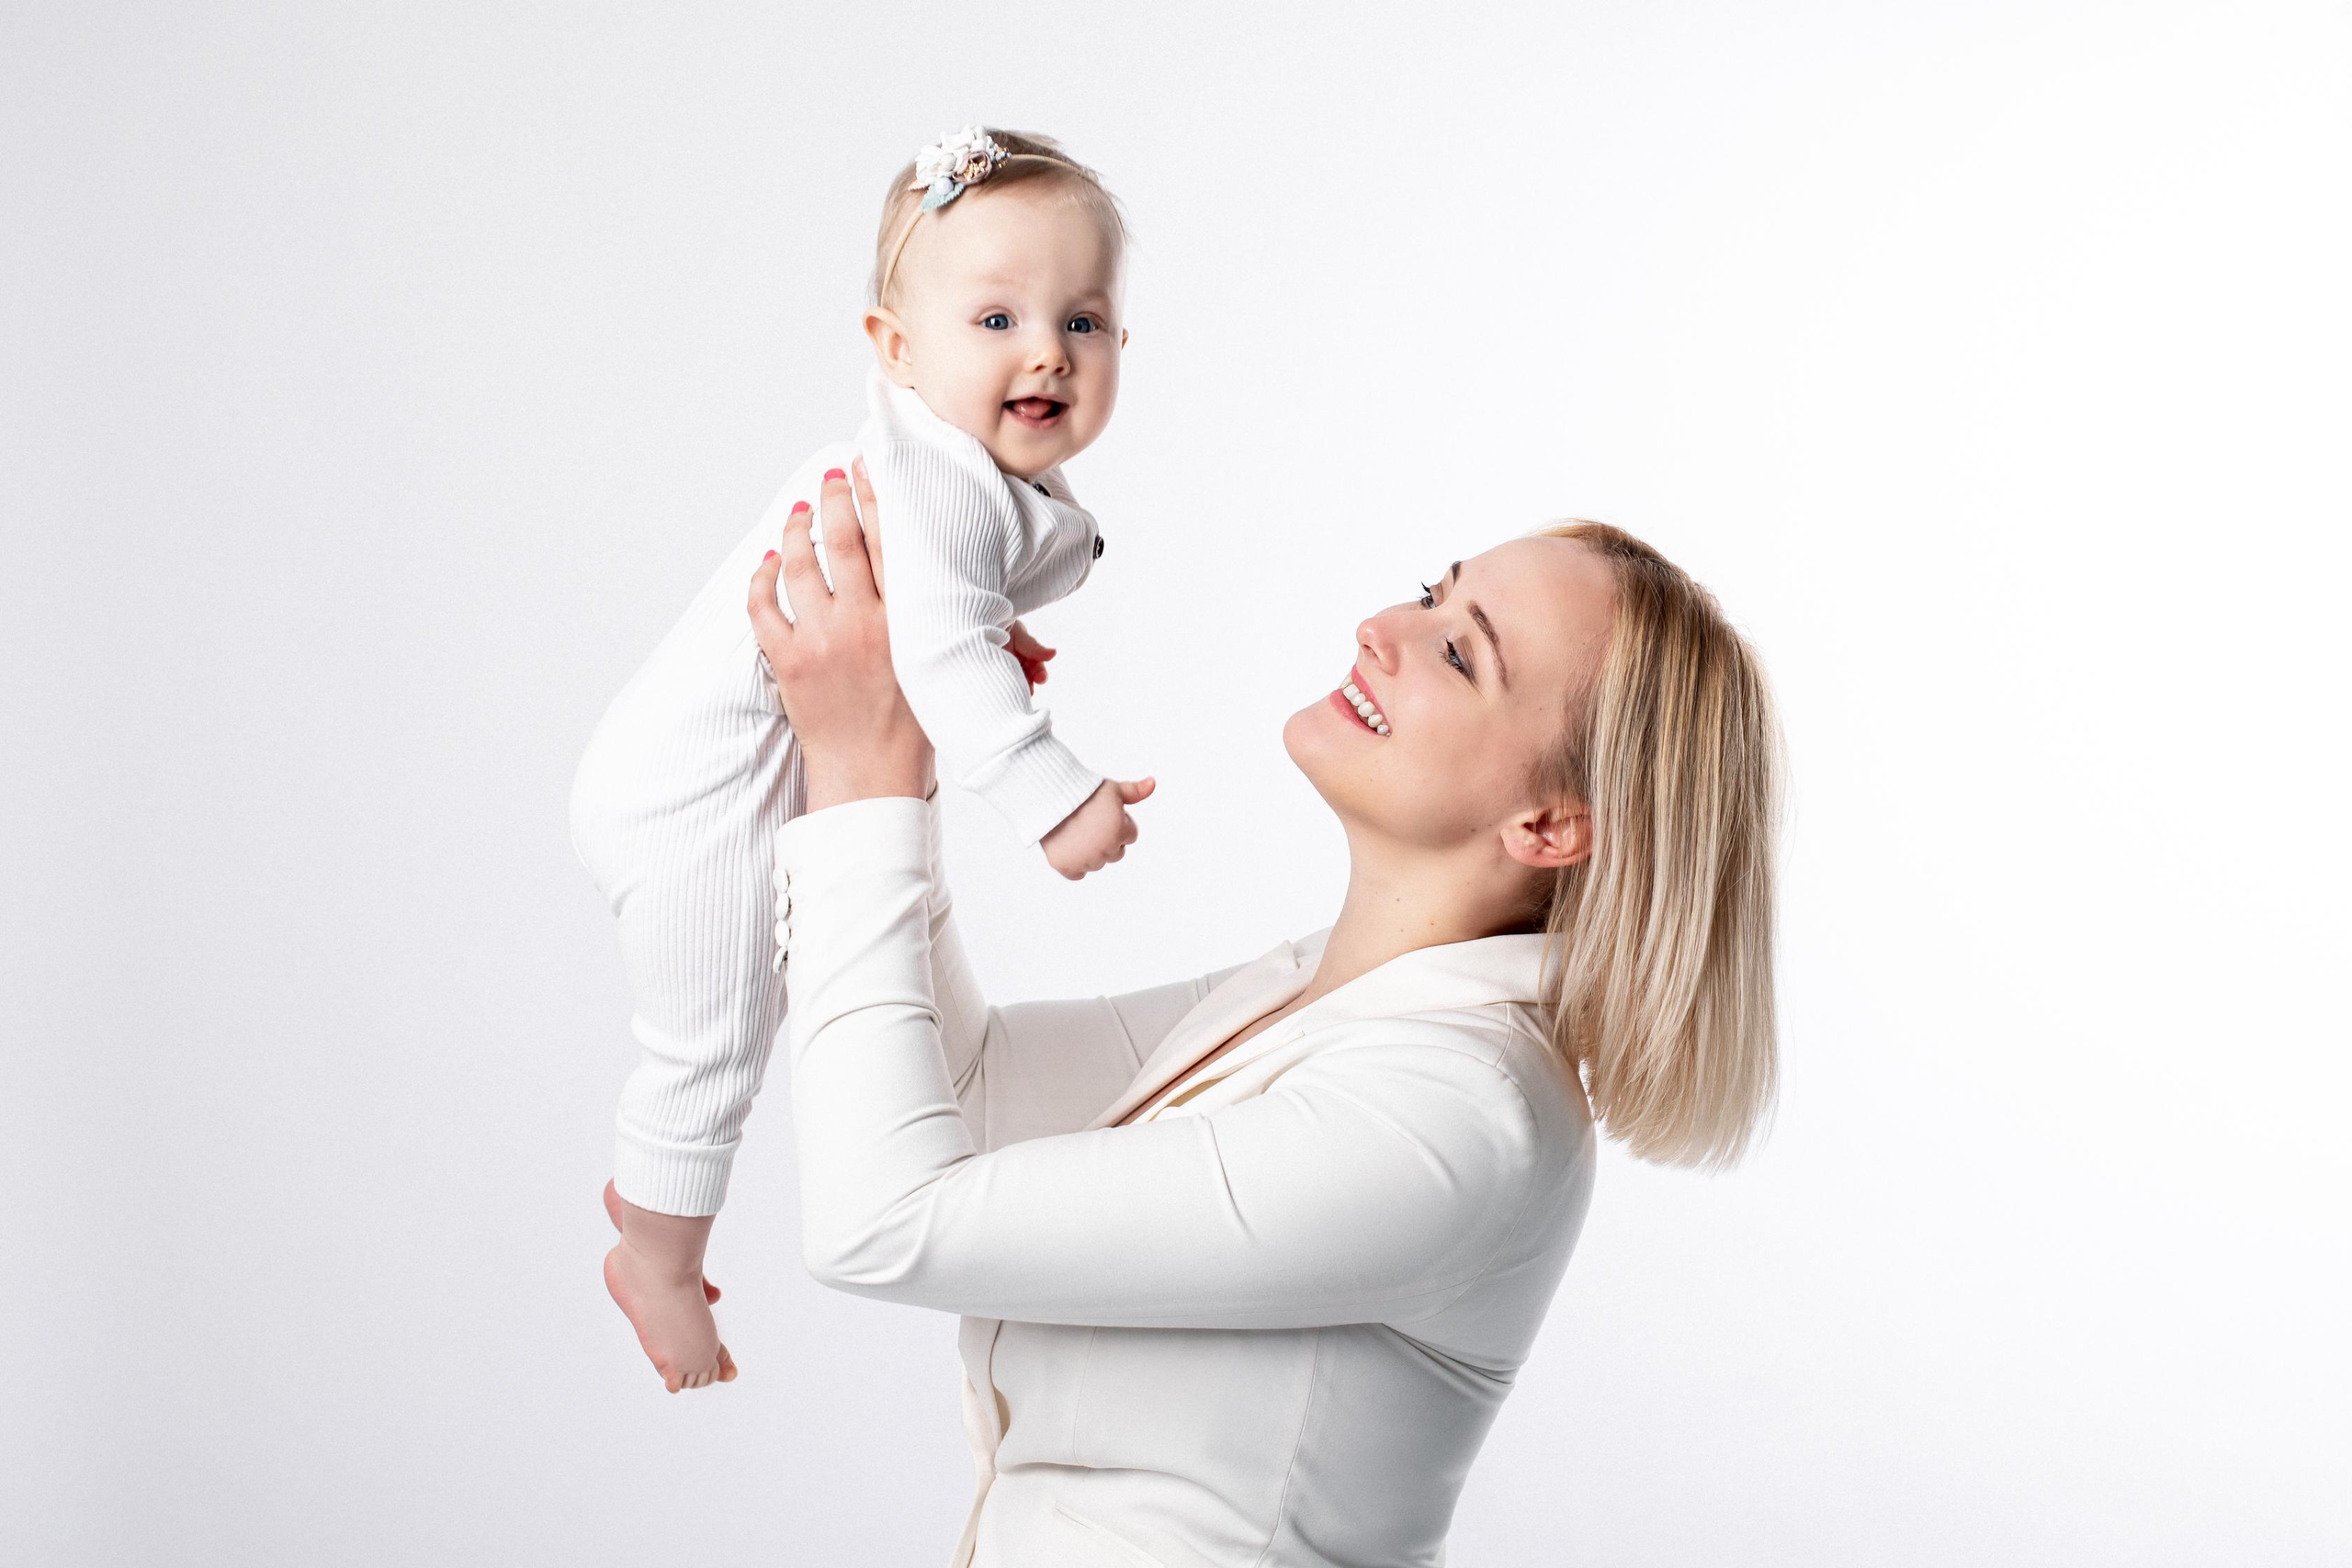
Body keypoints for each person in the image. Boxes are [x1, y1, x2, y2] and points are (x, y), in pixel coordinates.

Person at [639, 464, 1782, 1566]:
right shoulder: (1321, 994)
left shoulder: (1462, 1118)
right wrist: (909, 724)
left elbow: (881, 1223)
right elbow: (971, 1092)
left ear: (1549, 825)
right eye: (1433, 592)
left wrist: (863, 766)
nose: (1382, 628)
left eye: (1458, 652)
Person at [572, 128, 1153, 1392]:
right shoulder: (937, 475)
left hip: (727, 762)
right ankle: (654, 1258)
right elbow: (939, 656)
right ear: (897, 349)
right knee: (713, 1043)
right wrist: (1057, 800)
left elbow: (939, 622)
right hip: (692, 792)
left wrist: (984, 639)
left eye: (1083, 321)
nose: (1046, 351)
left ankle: (657, 1217)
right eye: (994, 318)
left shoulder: (953, 463)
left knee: (741, 1023)